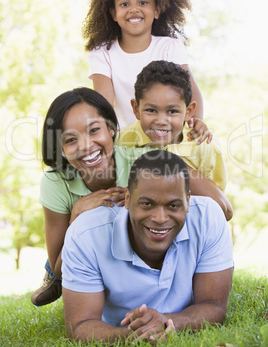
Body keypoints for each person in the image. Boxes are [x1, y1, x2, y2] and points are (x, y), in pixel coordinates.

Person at [31, 87, 226, 307]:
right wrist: (76, 216)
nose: (86, 146)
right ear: (61, 149)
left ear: (111, 129)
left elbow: (223, 207)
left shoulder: (146, 160)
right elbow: (60, 269)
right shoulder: (56, 182)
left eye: (94, 130)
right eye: (70, 140)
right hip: (99, 274)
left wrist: (143, 197)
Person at [62, 150, 233, 344]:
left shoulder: (208, 218)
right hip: (117, 327)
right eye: (147, 204)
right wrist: (136, 335)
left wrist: (168, 322)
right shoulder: (86, 234)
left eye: (173, 206)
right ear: (127, 198)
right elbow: (80, 325)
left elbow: (214, 306)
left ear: (188, 201)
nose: (160, 218)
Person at [82, 0, 209, 141]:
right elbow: (103, 103)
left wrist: (197, 121)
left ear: (157, 10)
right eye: (124, 4)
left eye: (143, 2)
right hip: (125, 142)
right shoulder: (102, 52)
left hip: (166, 139)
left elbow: (190, 90)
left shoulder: (169, 47)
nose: (134, 9)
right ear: (113, 13)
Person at [118, 61, 231, 220]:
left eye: (172, 111)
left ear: (189, 111)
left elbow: (218, 207)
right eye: (151, 110)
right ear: (136, 109)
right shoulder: (121, 142)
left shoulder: (203, 146)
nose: (162, 120)